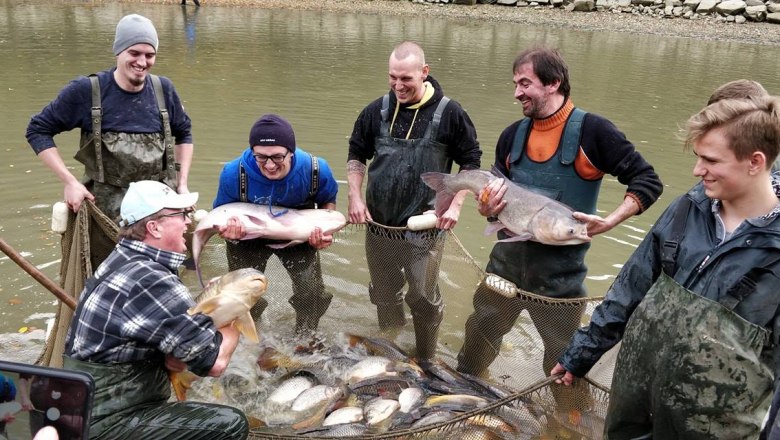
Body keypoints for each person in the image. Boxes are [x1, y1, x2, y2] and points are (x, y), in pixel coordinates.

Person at [552, 95, 780, 439]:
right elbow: (631, 286)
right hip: (633, 409)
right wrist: (581, 353)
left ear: (755, 162)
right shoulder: (689, 207)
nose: (696, 170)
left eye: (710, 159)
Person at [456, 46, 663, 381]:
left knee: (565, 366)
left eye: (524, 83)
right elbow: (492, 205)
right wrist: (486, 210)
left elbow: (648, 181)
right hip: (504, 266)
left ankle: (567, 423)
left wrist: (611, 220)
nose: (516, 93)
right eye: (515, 84)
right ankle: (466, 389)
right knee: (476, 343)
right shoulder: (511, 136)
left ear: (553, 83)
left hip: (561, 280)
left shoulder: (594, 132)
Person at [63, 180, 248, 440]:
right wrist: (234, 310)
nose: (188, 222)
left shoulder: (122, 257)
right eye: (181, 215)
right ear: (154, 227)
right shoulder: (152, 279)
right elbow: (214, 363)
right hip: (105, 424)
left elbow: (168, 324)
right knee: (230, 423)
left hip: (79, 411)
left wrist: (208, 304)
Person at [346, 41, 482, 361]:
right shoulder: (375, 110)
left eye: (406, 79)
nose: (398, 86)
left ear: (424, 72)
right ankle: (391, 348)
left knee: (422, 297)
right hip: (378, 225)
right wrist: (354, 197)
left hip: (425, 226)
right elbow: (356, 154)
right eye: (392, 77)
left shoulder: (450, 113)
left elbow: (471, 163)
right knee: (383, 292)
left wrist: (457, 203)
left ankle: (425, 359)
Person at [26, 14, 194, 269]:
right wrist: (69, 182)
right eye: (134, 52)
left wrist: (182, 185)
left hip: (159, 211)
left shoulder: (164, 90)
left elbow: (184, 133)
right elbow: (37, 130)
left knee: (160, 280)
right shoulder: (86, 91)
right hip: (105, 213)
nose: (142, 62)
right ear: (118, 51)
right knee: (104, 280)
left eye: (149, 55)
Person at [214, 114, 339, 335]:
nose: (269, 165)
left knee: (311, 293)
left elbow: (328, 203)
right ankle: (251, 333)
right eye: (260, 157)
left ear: (291, 151)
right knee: (241, 294)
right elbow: (220, 216)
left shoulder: (316, 170)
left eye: (278, 157)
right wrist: (228, 232)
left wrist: (324, 233)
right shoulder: (234, 173)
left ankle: (305, 338)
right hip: (248, 237)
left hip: (297, 235)